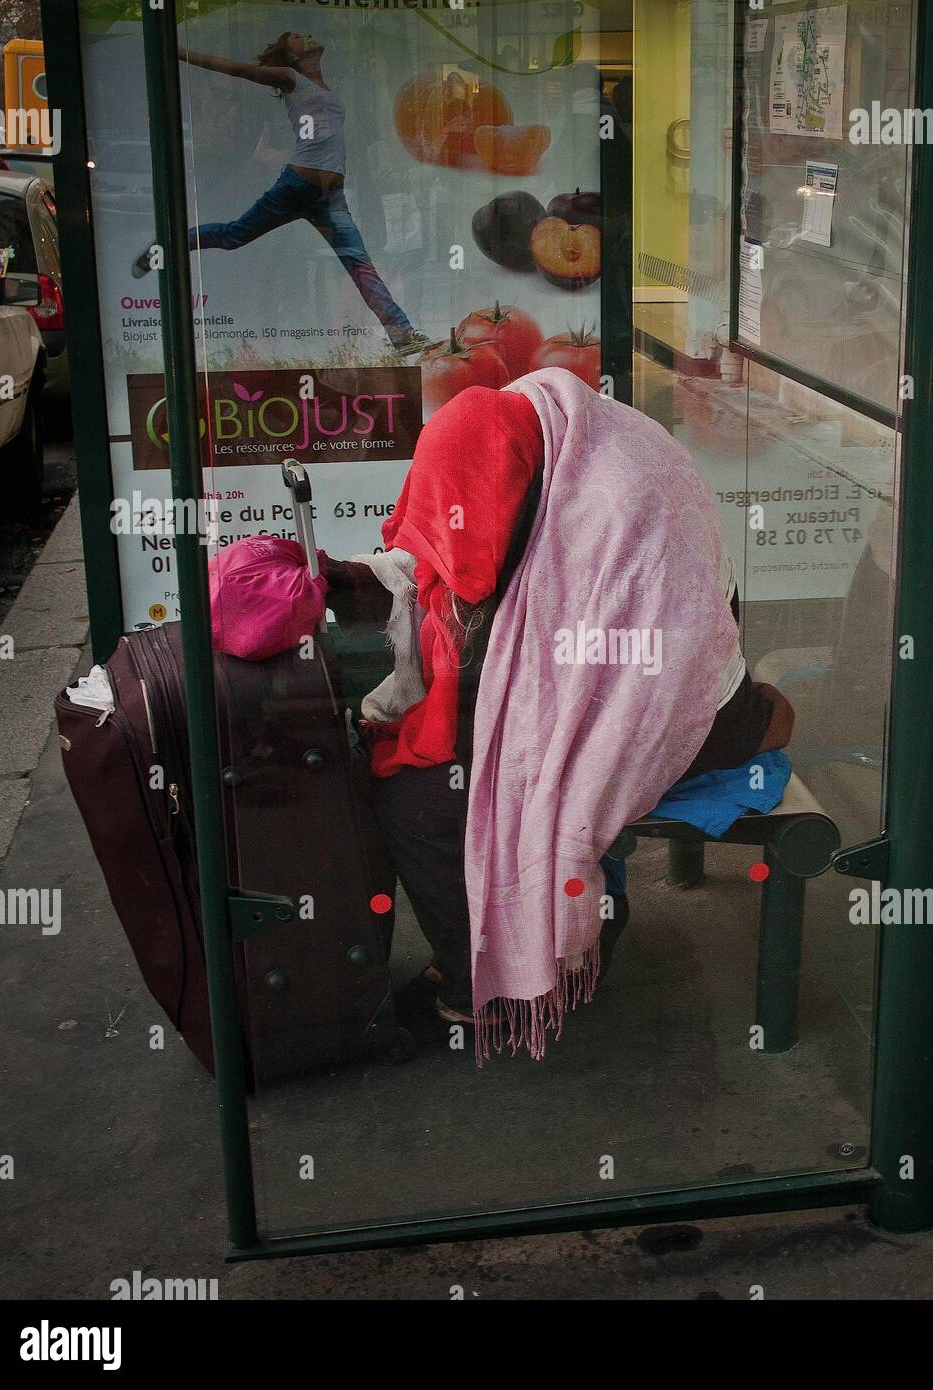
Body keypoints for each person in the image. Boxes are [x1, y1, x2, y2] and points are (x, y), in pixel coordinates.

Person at [325, 382, 793, 1038]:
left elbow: (627, 688)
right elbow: (444, 558)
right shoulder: (527, 428)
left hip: (673, 696)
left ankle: (490, 985)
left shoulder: (612, 504)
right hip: (624, 662)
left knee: (427, 798)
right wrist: (345, 580)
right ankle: (498, 948)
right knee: (432, 766)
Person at [132, 31, 426, 355]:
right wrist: (182, 53)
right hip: (296, 187)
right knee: (234, 236)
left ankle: (402, 335)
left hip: (331, 195)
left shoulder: (324, 84)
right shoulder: (290, 78)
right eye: (298, 37)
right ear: (293, 54)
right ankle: (166, 248)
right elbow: (235, 68)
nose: (308, 36)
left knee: (360, 265)